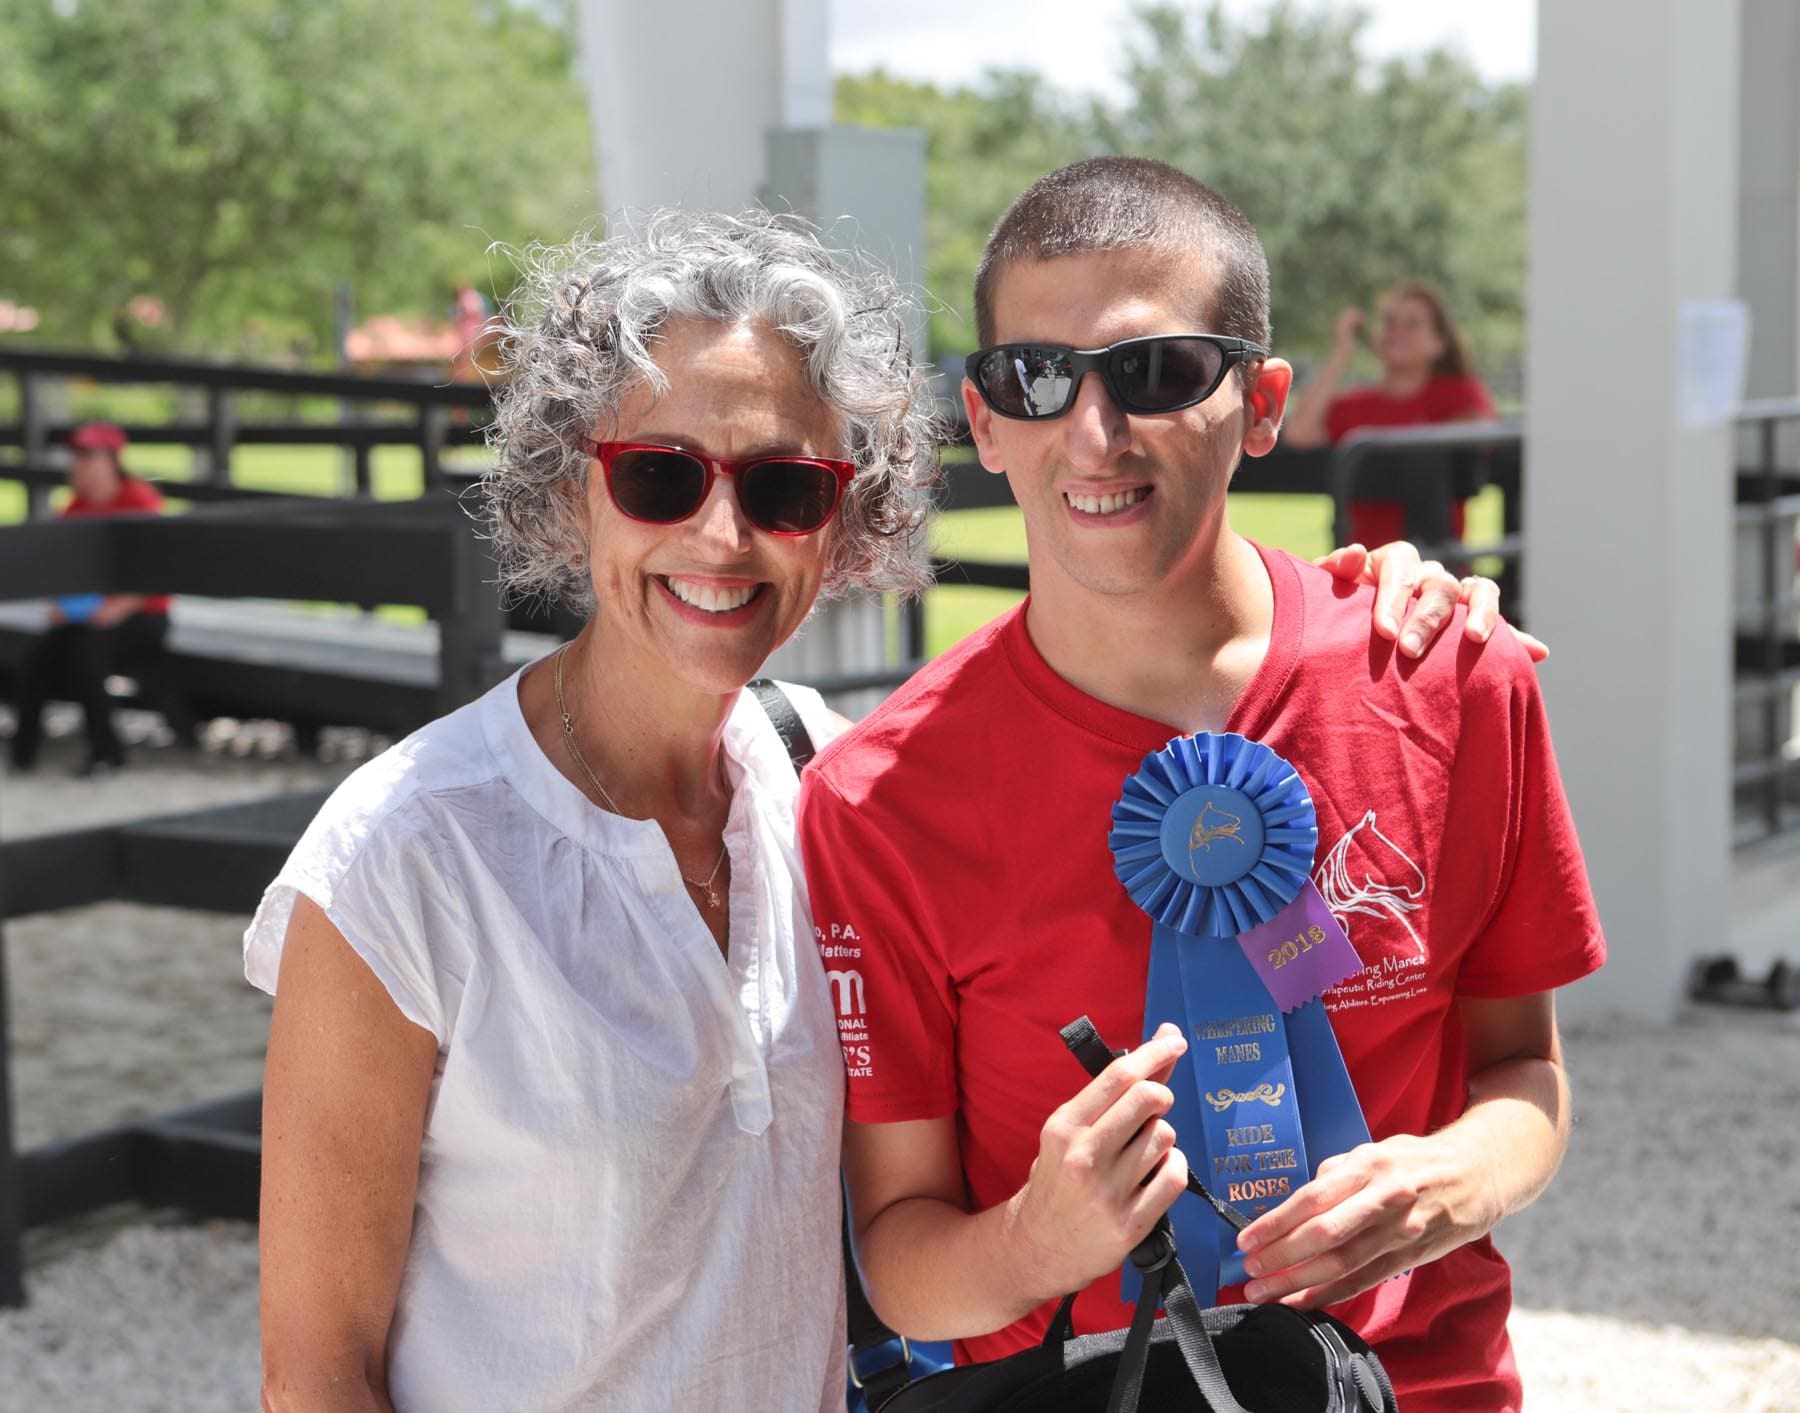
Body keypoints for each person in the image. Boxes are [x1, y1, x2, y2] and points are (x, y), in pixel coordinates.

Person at [247, 209, 1521, 1412]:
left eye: (785, 488)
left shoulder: (829, 781)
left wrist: (1365, 608)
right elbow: (314, 1378)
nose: (724, 534)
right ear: (568, 487)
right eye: (659, 478)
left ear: (842, 519)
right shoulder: (403, 856)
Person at [799, 158, 1602, 1413]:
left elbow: (1526, 1077)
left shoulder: (1453, 678)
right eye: (1037, 377)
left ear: (1263, 403)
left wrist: (1451, 1185)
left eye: (1158, 371)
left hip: (1421, 1386)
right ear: (986, 420)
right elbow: (900, 1260)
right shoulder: (877, 799)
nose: (1094, 433)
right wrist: (1034, 1243)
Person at [6, 421, 190, 775]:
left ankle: (107, 752)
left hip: (141, 616)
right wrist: (57, 605)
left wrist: (119, 607)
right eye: (78, 456)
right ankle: (21, 756)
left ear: (112, 460)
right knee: (34, 661)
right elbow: (57, 569)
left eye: (90, 456)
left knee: (86, 657)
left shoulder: (140, 501)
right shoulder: (75, 508)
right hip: (87, 617)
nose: (81, 464)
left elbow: (158, 571)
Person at [1283, 279, 1499, 549]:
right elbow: (1299, 434)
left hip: (1432, 561)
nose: (1396, 332)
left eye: (1412, 324)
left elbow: (1486, 436)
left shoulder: (1459, 394)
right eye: (1389, 322)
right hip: (1364, 562)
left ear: (1438, 343)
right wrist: (1341, 352)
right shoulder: (1357, 404)